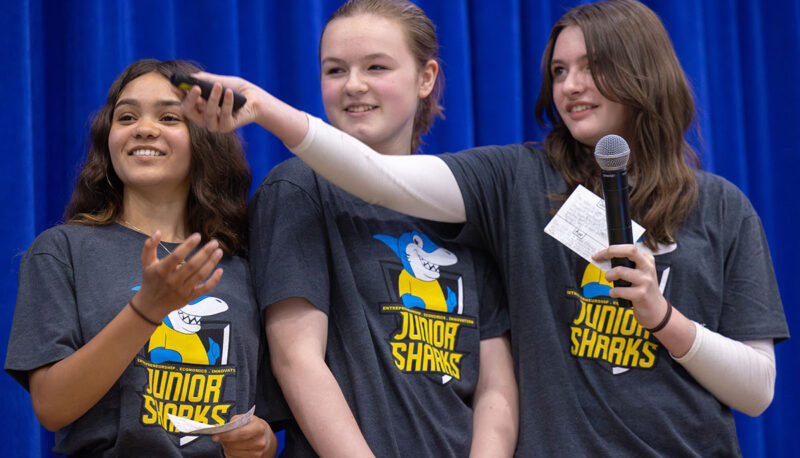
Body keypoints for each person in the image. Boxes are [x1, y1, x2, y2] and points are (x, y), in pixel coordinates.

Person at [178, 0, 789, 455]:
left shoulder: (722, 207)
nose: (571, 86)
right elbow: (379, 177)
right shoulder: (517, 180)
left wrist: (664, 318)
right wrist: (266, 110)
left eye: (591, 68)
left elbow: (758, 390)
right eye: (558, 71)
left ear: (644, 73)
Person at [179, 1, 518, 456]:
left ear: (426, 78)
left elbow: (495, 383)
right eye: (335, 70)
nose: (354, 85)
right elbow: (296, 359)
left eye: (376, 67)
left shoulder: (463, 199)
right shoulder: (300, 187)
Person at [4, 59, 279, 457]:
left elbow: (264, 422)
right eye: (126, 116)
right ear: (108, 137)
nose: (144, 128)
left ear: (207, 135)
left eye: (170, 116)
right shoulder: (62, 251)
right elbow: (52, 407)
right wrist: (147, 309)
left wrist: (264, 443)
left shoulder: (243, 264)